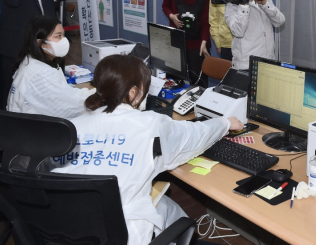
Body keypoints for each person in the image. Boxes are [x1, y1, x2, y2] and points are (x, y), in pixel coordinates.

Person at [49, 54, 243, 245]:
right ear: (133, 93)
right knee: (173, 214)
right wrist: (225, 123)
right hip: (124, 233)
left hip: (64, 229)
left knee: (166, 206)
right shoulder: (148, 124)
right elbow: (193, 135)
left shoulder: (70, 127)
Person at [0, 0, 71, 107]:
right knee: (13, 91)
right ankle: (8, 126)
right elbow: (12, 0)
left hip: (45, 44)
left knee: (46, 88)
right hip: (16, 45)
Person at [8, 15, 94, 117]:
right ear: (41, 43)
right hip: (36, 129)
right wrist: (102, 95)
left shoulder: (32, 60)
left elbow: (66, 96)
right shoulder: (41, 74)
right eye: (58, 36)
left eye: (63, 35)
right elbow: (71, 106)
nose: (64, 40)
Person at [224, 0, 285, 70]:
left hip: (268, 63)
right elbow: (238, 31)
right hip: (246, 66)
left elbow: (279, 22)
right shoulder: (232, 5)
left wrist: (264, 4)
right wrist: (243, 5)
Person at [162, 0, 211, 84]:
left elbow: (206, 20)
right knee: (173, 79)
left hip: (197, 43)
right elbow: (165, 6)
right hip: (176, 40)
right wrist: (171, 16)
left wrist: (204, 41)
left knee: (198, 80)